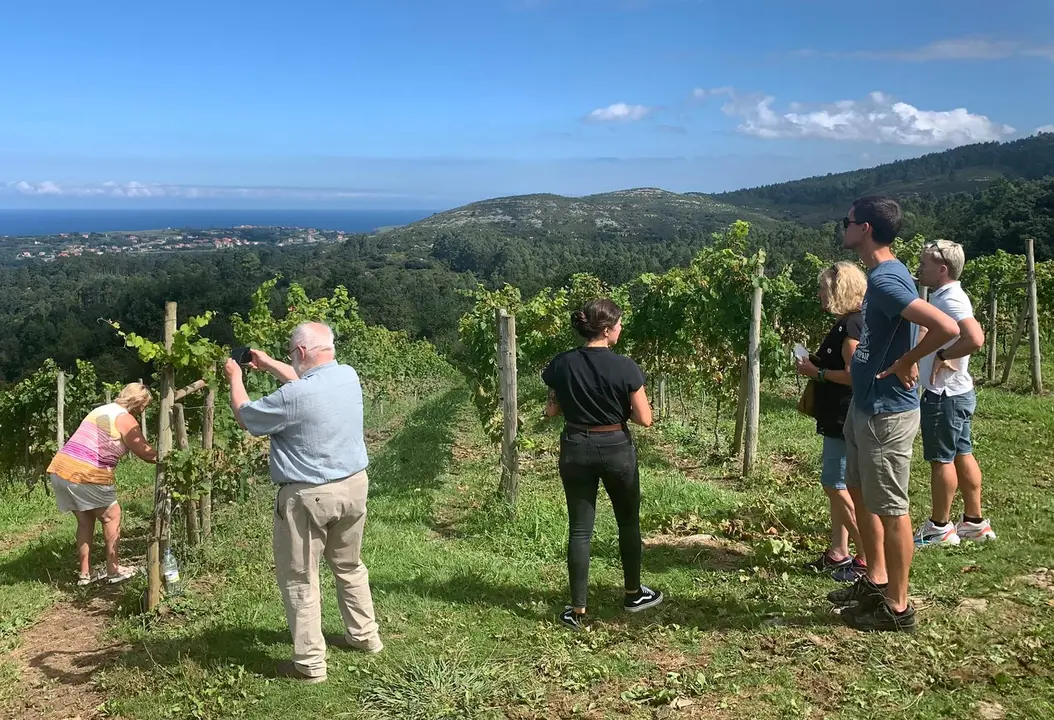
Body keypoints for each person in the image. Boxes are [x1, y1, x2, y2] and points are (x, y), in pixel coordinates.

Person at [828, 196, 958, 633]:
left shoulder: (886, 281)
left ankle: (898, 608)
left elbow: (947, 327)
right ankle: (877, 580)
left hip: (886, 412)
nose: (842, 228)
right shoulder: (886, 274)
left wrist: (908, 362)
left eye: (846, 222)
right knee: (863, 495)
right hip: (866, 403)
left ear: (863, 229)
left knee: (891, 508)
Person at [225, 322, 381, 684]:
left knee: (300, 578)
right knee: (349, 565)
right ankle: (364, 636)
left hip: (308, 497)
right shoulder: (348, 375)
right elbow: (305, 384)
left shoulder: (291, 399)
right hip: (353, 488)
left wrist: (236, 375)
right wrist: (269, 364)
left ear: (300, 353)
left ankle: (310, 664)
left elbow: (246, 416)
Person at [541, 299, 663, 632]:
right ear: (607, 330)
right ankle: (633, 593)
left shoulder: (562, 364)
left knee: (580, 529)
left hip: (576, 446)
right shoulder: (626, 367)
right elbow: (645, 418)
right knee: (627, 522)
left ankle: (578, 610)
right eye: (619, 325)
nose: (621, 329)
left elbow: (552, 411)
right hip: (615, 448)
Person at [914, 240, 995, 547]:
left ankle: (939, 527)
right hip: (959, 391)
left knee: (941, 460)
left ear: (942, 269)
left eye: (925, 264)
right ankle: (974, 522)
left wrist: (943, 355)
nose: (920, 268)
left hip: (943, 394)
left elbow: (975, 338)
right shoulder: (949, 296)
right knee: (962, 452)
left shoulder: (950, 300)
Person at [795, 261, 868, 582]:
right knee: (839, 484)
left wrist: (818, 373)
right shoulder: (848, 323)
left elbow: (855, 375)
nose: (819, 294)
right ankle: (839, 552)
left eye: (824, 288)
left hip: (843, 415)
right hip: (839, 413)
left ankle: (866, 555)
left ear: (839, 291)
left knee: (835, 484)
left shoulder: (851, 326)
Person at [46, 383, 157, 586]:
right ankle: (114, 570)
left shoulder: (102, 410)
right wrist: (168, 457)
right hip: (87, 474)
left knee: (85, 521)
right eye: (145, 405)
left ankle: (84, 575)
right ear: (139, 402)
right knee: (111, 515)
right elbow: (144, 452)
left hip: (61, 469)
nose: (144, 410)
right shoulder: (125, 418)